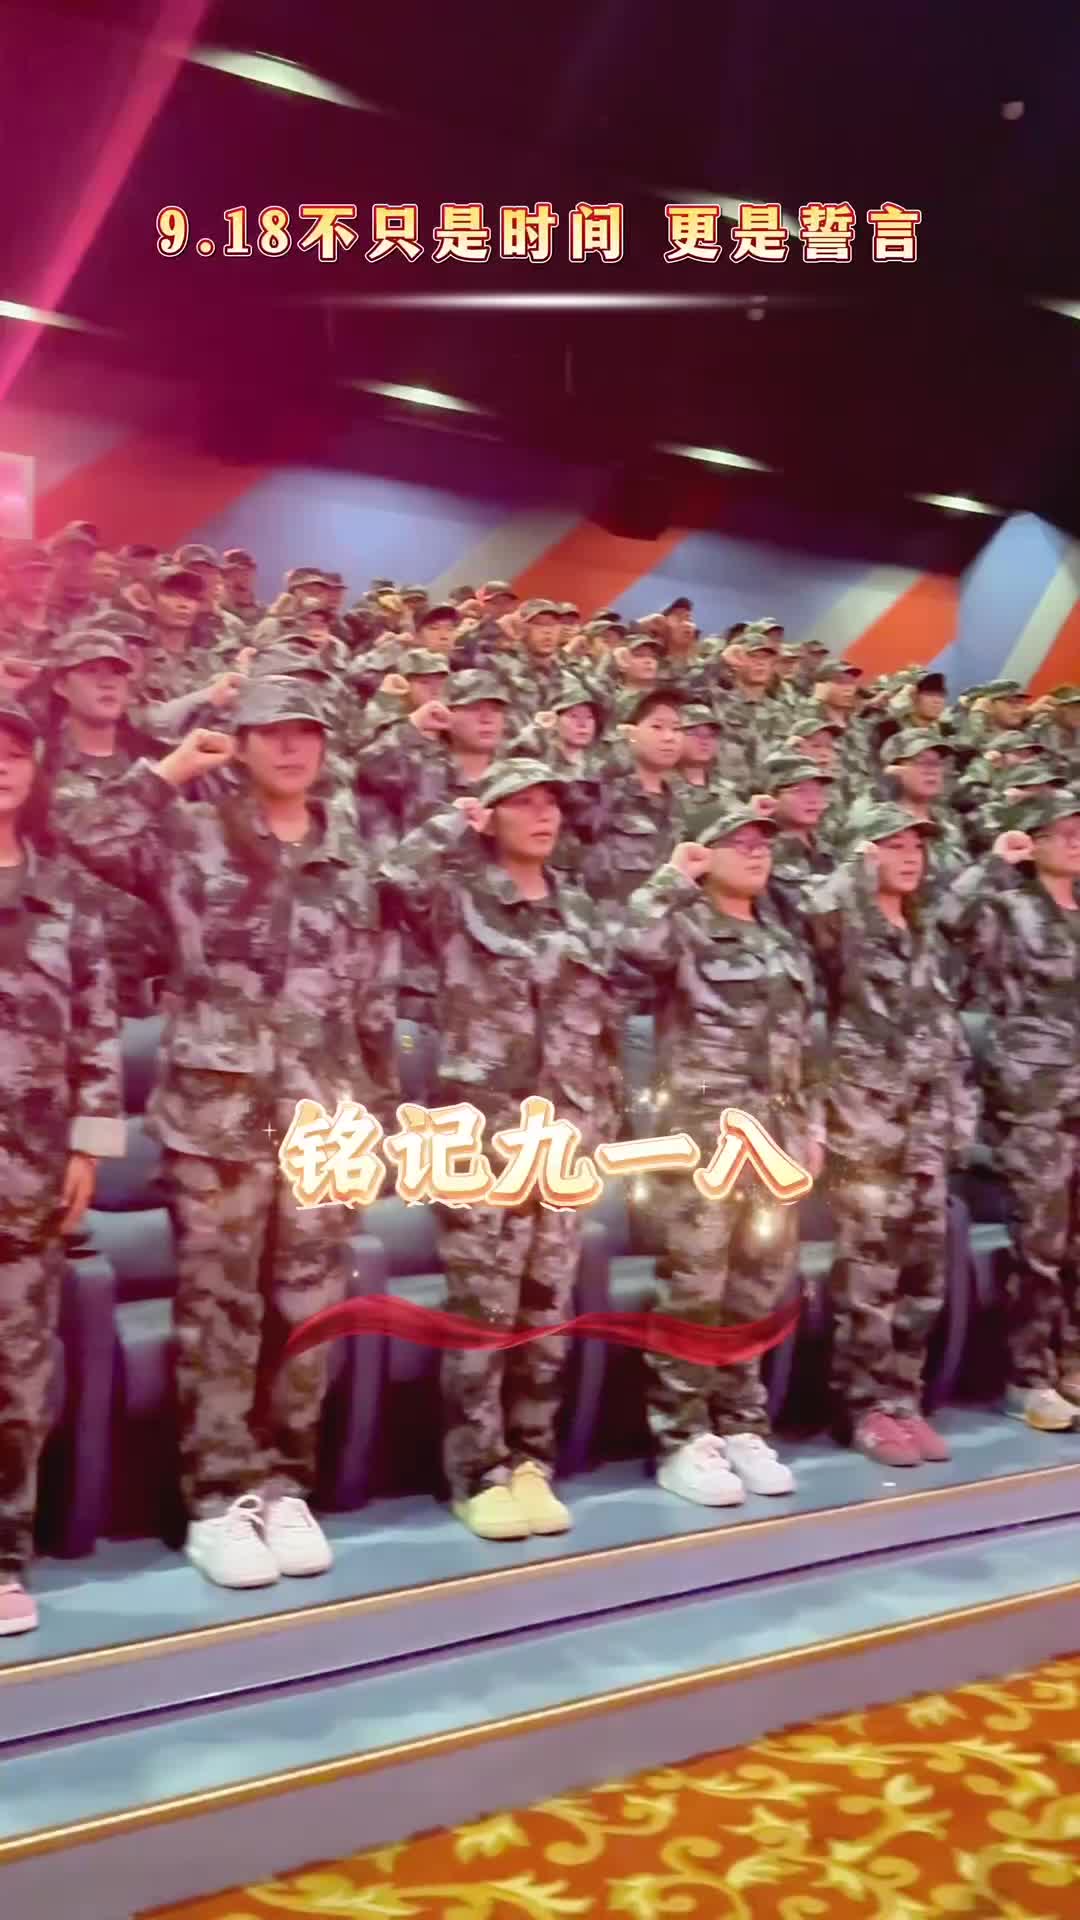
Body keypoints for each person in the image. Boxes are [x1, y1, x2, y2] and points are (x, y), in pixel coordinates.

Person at [60, 680, 399, 1589]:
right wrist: (167, 772)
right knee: (221, 1314)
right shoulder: (189, 833)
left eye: (305, 733)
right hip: (218, 1122)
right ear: (238, 744)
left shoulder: (348, 854)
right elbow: (80, 835)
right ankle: (219, 1499)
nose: (290, 748)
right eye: (270, 733)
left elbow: (371, 998)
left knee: (309, 1311)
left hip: (322, 1121)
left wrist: (375, 1116)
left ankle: (285, 1483)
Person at [379, 760, 622, 1542]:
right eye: (523, 803)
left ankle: (530, 1459)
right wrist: (456, 822)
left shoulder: (578, 909)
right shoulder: (460, 897)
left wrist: (604, 1121)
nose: (543, 815)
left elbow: (604, 1027)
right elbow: (390, 881)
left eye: (552, 802)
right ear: (492, 816)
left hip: (563, 1138)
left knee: (546, 1305)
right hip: (481, 1136)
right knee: (483, 1307)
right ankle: (477, 1470)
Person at [617, 803, 822, 1504]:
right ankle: (682, 1437)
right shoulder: (683, 925)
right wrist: (672, 877)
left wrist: (810, 1125)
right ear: (704, 855)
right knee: (696, 1288)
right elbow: (627, 947)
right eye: (738, 843)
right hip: (703, 1138)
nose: (757, 852)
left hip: (774, 1139)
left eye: (764, 842)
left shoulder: (779, 937)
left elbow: (800, 1043)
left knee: (757, 1287)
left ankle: (741, 1424)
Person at [0, 700, 124, 1636]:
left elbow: (98, 1028)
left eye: (14, 752)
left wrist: (88, 1145)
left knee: (17, 1376)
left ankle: (4, 1557)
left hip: (30, 1173)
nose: (1, 765)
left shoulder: (64, 895)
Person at [804, 805, 976, 1466]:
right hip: (867, 1124)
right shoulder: (846, 924)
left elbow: (945, 1027)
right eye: (892, 847)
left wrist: (957, 1114)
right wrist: (856, 867)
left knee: (923, 1273)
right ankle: (864, 1407)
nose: (909, 858)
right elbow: (817, 912)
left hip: (925, 1124)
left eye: (915, 848)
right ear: (864, 855)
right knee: (868, 1275)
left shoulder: (924, 927)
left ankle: (905, 1397)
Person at [940, 792, 1080, 1430]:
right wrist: (994, 863)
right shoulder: (1008, 907)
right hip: (1033, 1099)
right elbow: (949, 921)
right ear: (1034, 841)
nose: (1074, 841)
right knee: (1040, 1246)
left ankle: (1072, 1360)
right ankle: (1029, 1377)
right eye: (1061, 832)